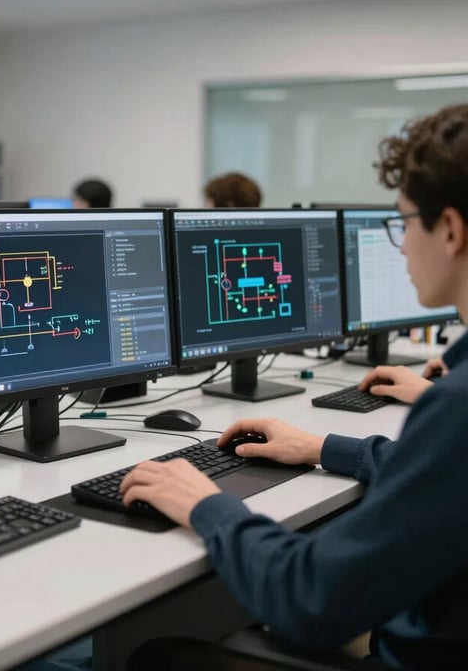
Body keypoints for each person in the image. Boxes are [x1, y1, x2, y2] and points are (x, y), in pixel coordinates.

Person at [121, 104, 468, 670]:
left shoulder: (457, 406)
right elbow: (444, 481)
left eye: (402, 222)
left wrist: (207, 505)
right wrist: (323, 448)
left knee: (155, 655)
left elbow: (310, 600)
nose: (401, 245)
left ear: (450, 229)